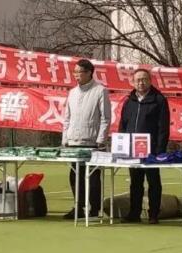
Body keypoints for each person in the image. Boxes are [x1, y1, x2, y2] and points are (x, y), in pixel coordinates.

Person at [119, 68, 170, 224]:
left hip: (151, 150)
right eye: (138, 80)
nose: (141, 83)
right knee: (135, 182)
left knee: (153, 182)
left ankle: (153, 213)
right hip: (132, 149)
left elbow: (163, 127)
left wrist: (160, 150)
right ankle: (134, 213)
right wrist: (122, 145)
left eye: (144, 79)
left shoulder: (159, 100)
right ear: (133, 82)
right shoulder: (129, 101)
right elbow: (123, 124)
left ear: (150, 81)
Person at [61, 58, 111, 220]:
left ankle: (95, 208)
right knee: (74, 175)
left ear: (89, 73)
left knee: (93, 176)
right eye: (75, 72)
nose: (76, 75)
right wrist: (65, 138)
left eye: (80, 72)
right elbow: (67, 118)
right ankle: (79, 207)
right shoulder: (72, 92)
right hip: (73, 141)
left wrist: (101, 139)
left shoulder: (100, 91)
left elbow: (105, 117)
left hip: (92, 141)